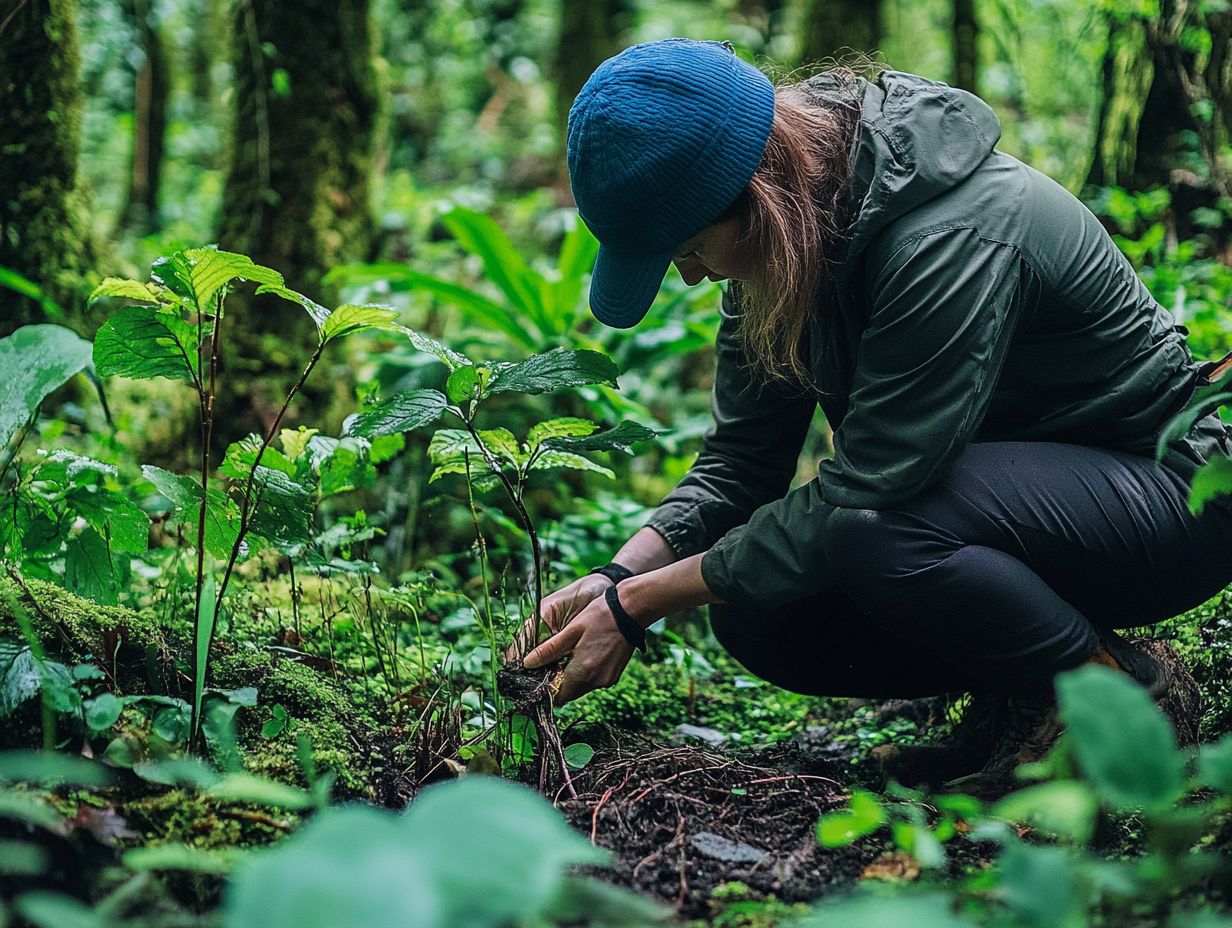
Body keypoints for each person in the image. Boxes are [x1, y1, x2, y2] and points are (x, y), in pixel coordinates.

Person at [511, 37, 1232, 794]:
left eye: (688, 248)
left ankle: (1112, 696)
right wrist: (619, 577)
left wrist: (640, 607)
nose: (689, 275)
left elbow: (871, 492)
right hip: (1020, 510)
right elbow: (740, 465)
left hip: (1173, 494)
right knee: (757, 608)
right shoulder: (782, 243)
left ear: (757, 194)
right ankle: (1021, 697)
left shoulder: (948, 235)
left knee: (873, 532)